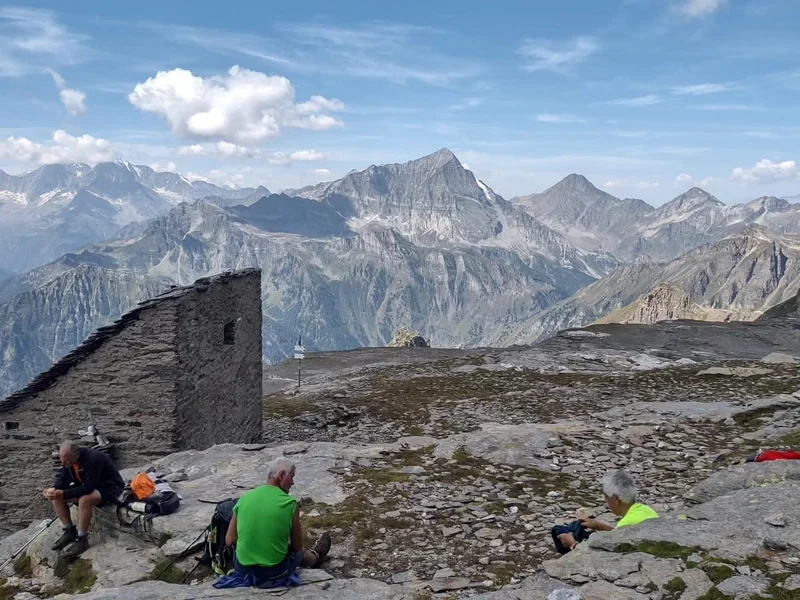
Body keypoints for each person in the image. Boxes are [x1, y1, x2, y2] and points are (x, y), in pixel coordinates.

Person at [225, 456, 331, 582]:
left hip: (242, 569)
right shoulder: (290, 503)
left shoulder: (244, 498)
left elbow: (229, 540)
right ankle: (316, 556)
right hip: (273, 572)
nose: (292, 483)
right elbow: (296, 547)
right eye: (291, 477)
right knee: (299, 552)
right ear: (281, 475)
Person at [45, 441, 125, 558]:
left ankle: (82, 539)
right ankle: (69, 531)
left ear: (76, 454)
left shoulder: (93, 459)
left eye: (67, 460)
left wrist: (64, 493)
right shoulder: (69, 462)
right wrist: (54, 489)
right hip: (88, 486)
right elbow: (63, 478)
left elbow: (89, 488)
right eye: (61, 459)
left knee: (85, 499)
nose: (64, 463)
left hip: (109, 486)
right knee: (56, 498)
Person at [557, 470, 658, 551]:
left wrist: (573, 544)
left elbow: (617, 554)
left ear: (615, 499)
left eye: (606, 497)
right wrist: (599, 526)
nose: (605, 501)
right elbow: (622, 534)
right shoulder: (646, 509)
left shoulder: (627, 523)